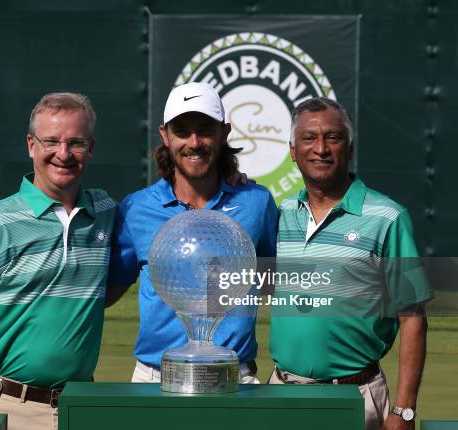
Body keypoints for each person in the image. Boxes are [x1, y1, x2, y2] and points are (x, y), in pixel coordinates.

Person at [0, 93, 116, 430]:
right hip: (6, 408)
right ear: (31, 145)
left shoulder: (107, 212)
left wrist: (231, 176)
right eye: (51, 141)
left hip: (79, 408)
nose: (63, 154)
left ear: (91, 148)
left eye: (75, 143)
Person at [268, 97, 432, 430]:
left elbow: (413, 318)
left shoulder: (388, 217)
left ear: (350, 147)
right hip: (281, 394)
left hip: (357, 398)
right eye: (309, 138)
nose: (321, 148)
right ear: (292, 150)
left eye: (333, 137)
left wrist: (404, 411)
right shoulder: (280, 214)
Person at [107, 82, 278, 383]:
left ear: (224, 133)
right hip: (154, 379)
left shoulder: (256, 202)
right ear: (165, 135)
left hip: (234, 378)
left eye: (205, 130)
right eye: (182, 131)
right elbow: (105, 292)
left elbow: (277, 285)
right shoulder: (136, 209)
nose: (194, 142)